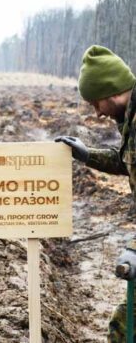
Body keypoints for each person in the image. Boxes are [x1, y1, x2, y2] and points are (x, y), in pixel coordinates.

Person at [55, 45, 136, 342]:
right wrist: (88, 155)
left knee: (124, 327)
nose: (97, 113)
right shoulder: (128, 117)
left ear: (111, 92)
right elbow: (127, 161)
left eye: (95, 103)